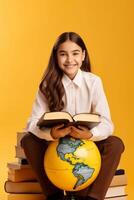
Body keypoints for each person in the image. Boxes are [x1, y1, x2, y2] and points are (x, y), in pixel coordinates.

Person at [21, 32, 124, 200]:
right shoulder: (47, 84)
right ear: (56, 57)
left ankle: (93, 197)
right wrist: (52, 134)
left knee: (116, 144)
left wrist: (90, 134)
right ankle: (54, 196)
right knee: (28, 140)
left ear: (83, 55)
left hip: (85, 145)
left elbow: (107, 123)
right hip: (56, 146)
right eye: (63, 54)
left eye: (75, 53)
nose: (69, 60)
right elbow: (32, 122)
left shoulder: (94, 82)